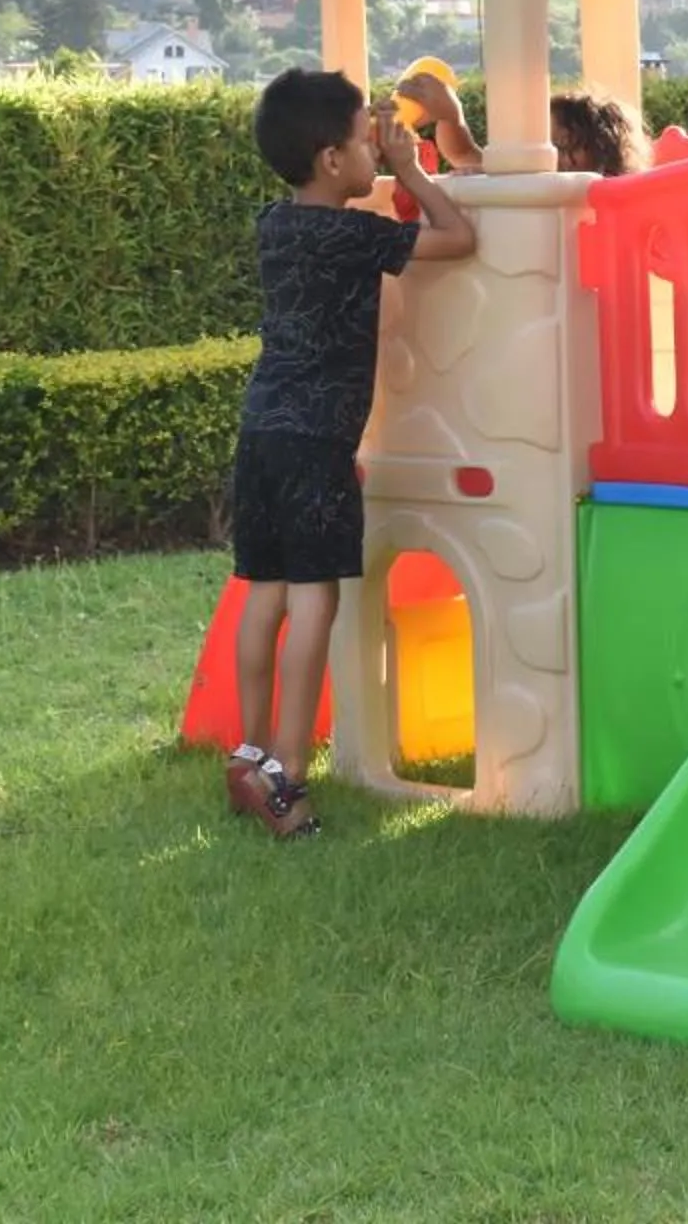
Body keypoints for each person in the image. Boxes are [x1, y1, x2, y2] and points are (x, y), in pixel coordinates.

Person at [224, 68, 475, 838]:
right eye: (368, 143)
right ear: (334, 162)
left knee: (263, 593)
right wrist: (412, 170)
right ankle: (290, 780)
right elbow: (460, 237)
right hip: (317, 441)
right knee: (315, 600)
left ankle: (249, 752)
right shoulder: (352, 235)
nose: (378, 150)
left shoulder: (276, 223)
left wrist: (387, 157)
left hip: (262, 429)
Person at [396, 72, 644, 178]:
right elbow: (461, 153)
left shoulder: (604, 192)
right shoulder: (526, 174)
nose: (556, 157)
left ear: (607, 153)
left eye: (570, 146)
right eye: (547, 145)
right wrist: (450, 116)